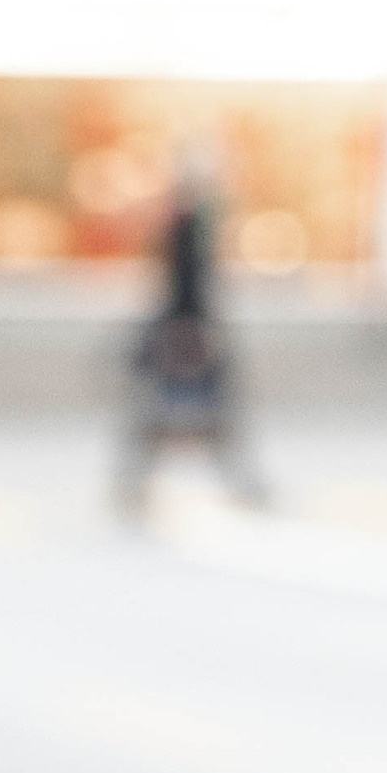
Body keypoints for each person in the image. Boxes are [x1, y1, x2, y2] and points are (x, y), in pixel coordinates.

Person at [117, 172, 266, 518]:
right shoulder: (184, 235)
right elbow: (183, 288)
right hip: (185, 330)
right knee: (164, 416)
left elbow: (188, 286)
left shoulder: (190, 234)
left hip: (186, 329)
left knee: (193, 416)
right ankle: (134, 483)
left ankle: (134, 483)